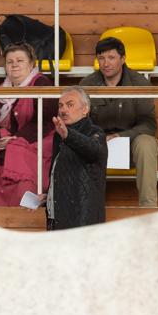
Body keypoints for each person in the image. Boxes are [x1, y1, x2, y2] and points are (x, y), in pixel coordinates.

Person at [0, 43, 58, 207]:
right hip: (8, 139)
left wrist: (15, 138)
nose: (14, 65)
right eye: (10, 61)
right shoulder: (3, 87)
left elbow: (45, 121)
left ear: (31, 64)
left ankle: (23, 208)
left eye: (19, 60)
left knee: (17, 152)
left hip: (40, 136)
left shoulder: (42, 83)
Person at [79, 37, 158, 207]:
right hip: (98, 146)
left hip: (130, 146)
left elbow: (149, 125)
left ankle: (148, 209)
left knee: (146, 143)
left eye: (111, 57)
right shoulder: (87, 84)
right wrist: (97, 138)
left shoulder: (140, 84)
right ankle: (82, 210)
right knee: (73, 141)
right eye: (101, 58)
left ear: (123, 59)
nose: (106, 63)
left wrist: (119, 136)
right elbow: (80, 122)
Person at [46, 86, 108, 230]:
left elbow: (95, 151)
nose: (63, 110)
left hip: (83, 222)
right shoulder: (59, 135)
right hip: (57, 218)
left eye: (70, 105)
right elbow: (63, 175)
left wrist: (68, 136)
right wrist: (50, 194)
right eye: (60, 105)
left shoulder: (95, 132)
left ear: (85, 109)